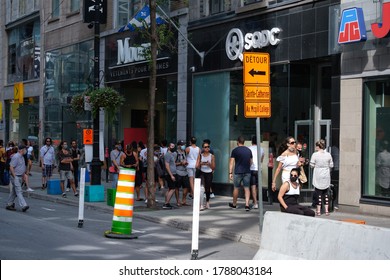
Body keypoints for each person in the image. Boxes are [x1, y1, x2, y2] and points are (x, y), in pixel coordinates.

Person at [310, 139, 334, 216]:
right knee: (325, 193)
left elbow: (312, 165)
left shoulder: (315, 155)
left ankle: (318, 211)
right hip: (326, 174)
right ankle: (327, 211)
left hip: (318, 173)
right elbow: (331, 165)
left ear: (318, 146)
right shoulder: (328, 154)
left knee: (318, 193)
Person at [228, 135, 253, 211]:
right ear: (244, 142)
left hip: (237, 172)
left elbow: (231, 162)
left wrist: (230, 172)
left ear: (237, 142)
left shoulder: (235, 150)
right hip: (247, 171)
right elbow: (251, 162)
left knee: (236, 188)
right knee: (247, 188)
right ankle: (247, 205)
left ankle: (234, 204)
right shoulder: (248, 150)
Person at [5, 144, 30, 212]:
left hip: (19, 176)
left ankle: (9, 204)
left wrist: (23, 175)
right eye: (25, 149)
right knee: (19, 191)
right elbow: (11, 167)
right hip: (15, 176)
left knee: (14, 192)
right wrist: (15, 176)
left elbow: (20, 167)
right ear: (22, 150)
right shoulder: (16, 156)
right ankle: (24, 205)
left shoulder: (21, 156)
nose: (26, 150)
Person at [198, 141, 215, 210]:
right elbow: (197, 165)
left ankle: (207, 202)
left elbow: (213, 167)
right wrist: (201, 163)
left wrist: (209, 164)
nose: (207, 148)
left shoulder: (212, 156)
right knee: (202, 188)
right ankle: (201, 204)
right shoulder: (200, 155)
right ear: (203, 148)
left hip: (209, 172)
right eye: (205, 147)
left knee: (207, 189)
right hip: (202, 172)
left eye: (208, 147)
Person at [248, 135, 264, 209]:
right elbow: (261, 160)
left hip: (251, 169)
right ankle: (255, 199)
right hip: (259, 169)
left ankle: (255, 202)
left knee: (253, 186)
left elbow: (248, 160)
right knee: (256, 186)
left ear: (252, 141)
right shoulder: (261, 149)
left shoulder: (249, 149)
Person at [174, 140, 191, 206]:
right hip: (178, 172)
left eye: (184, 144)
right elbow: (173, 164)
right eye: (182, 144)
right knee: (177, 187)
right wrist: (180, 163)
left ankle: (183, 200)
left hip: (185, 171)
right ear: (178, 146)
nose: (183, 146)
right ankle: (178, 201)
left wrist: (186, 163)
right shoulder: (175, 153)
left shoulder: (185, 152)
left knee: (186, 187)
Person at [163, 142, 178, 209]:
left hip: (173, 173)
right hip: (170, 174)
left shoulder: (172, 154)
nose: (173, 147)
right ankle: (166, 203)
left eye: (173, 146)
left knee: (170, 189)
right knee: (172, 189)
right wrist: (171, 175)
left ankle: (166, 202)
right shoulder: (167, 155)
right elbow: (167, 165)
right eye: (172, 146)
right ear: (169, 147)